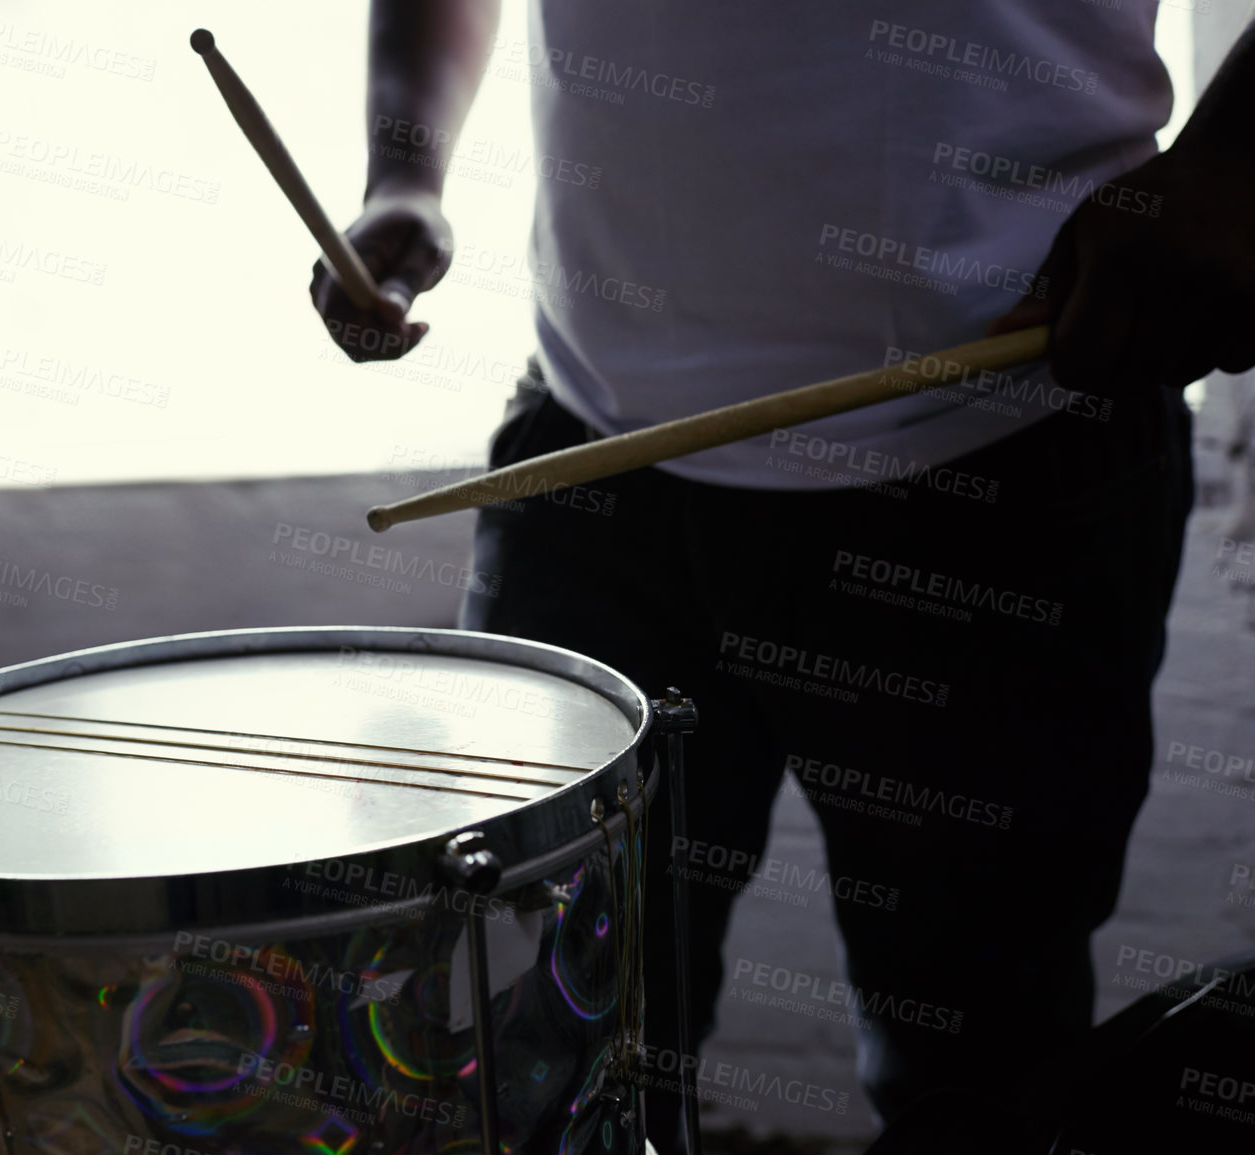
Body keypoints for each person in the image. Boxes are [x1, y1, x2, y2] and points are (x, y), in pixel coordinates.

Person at [309, 1, 1255, 1148]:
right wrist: (403, 171)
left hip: (996, 466)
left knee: (977, 1064)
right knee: (550, 1048)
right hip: (593, 452)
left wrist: (1230, 160)